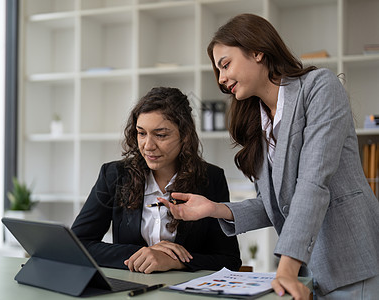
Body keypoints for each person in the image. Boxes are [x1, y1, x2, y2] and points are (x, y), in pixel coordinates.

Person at [159, 14, 379, 300]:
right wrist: (213, 209)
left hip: (351, 260)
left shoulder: (319, 88)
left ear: (257, 51)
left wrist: (286, 267)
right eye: (218, 71)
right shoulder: (259, 122)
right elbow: (275, 205)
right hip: (309, 268)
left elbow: (313, 184)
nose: (222, 79)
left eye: (225, 64)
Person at [71, 86, 241, 274]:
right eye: (141, 133)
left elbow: (229, 259)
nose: (148, 146)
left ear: (184, 135)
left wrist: (175, 261)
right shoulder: (114, 174)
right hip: (131, 288)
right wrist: (144, 254)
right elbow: (78, 244)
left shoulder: (211, 178)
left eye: (160, 135)